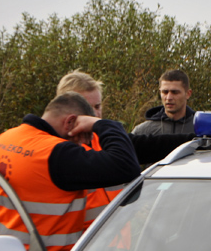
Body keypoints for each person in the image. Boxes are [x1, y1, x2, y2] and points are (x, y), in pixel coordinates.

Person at [0, 92, 141, 251]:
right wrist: (100, 123)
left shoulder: (4, 139)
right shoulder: (56, 153)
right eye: (84, 134)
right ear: (70, 122)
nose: (83, 143)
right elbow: (126, 166)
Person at [56, 70, 192, 228]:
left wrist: (202, 137)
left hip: (115, 247)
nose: (95, 114)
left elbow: (152, 145)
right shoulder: (59, 151)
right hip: (83, 249)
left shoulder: (104, 141)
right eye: (87, 107)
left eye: (98, 106)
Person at [132, 69, 195, 135]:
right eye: (165, 92)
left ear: (188, 94)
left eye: (175, 92)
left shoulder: (201, 129)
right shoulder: (142, 132)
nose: (169, 98)